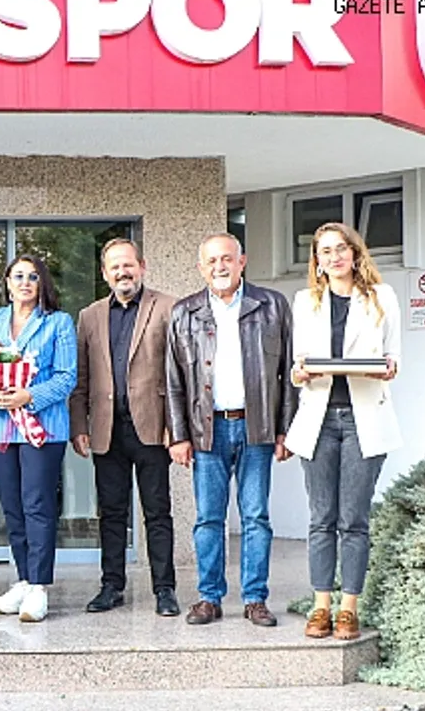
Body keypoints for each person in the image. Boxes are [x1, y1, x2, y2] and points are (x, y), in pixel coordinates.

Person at [166, 232, 296, 628]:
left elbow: (289, 374)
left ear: (242, 261)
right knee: (208, 518)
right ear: (201, 268)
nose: (219, 266)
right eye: (212, 261)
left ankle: (255, 599)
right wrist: (179, 435)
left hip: (257, 427)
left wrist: (286, 430)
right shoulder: (184, 312)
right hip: (207, 431)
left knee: (256, 517)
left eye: (227, 258)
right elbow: (172, 380)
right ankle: (210, 597)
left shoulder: (272, 305)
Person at [284, 222, 401, 641]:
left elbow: (393, 358)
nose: (334, 257)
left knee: (354, 519)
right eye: (325, 251)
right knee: (321, 518)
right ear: (317, 260)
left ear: (355, 253)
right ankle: (321, 606)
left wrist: (388, 366)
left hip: (363, 419)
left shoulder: (382, 297)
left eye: (340, 249)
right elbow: (298, 365)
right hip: (318, 420)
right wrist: (299, 373)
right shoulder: (305, 301)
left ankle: (348, 608)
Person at [70, 238, 180, 617]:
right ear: (105, 274)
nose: (122, 272)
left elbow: (178, 373)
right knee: (112, 513)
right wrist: (79, 425)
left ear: (142, 266)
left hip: (152, 428)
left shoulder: (167, 307)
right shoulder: (90, 316)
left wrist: (176, 428)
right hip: (107, 430)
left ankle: (164, 589)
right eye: (114, 267)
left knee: (157, 513)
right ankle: (111, 586)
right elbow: (81, 378)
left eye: (128, 265)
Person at [0, 255, 77, 623]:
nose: (25, 282)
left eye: (33, 276)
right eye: (18, 276)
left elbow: (66, 377)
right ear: (7, 282)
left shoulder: (58, 322)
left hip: (42, 427)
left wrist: (28, 396)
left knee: (37, 505)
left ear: (42, 283)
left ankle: (40, 586)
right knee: (12, 507)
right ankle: (24, 578)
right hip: (1, 427)